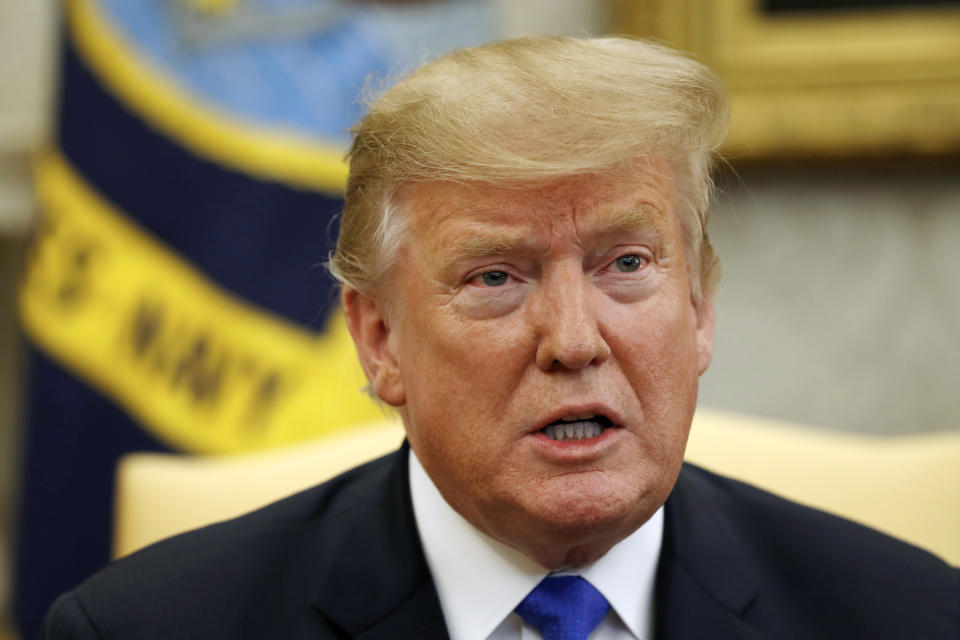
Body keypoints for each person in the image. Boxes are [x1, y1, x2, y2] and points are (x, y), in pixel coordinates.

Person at [43, 36, 957, 640]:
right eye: (495, 278)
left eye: (626, 265)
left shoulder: (905, 615)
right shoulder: (147, 629)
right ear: (380, 342)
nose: (573, 341)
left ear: (702, 308)